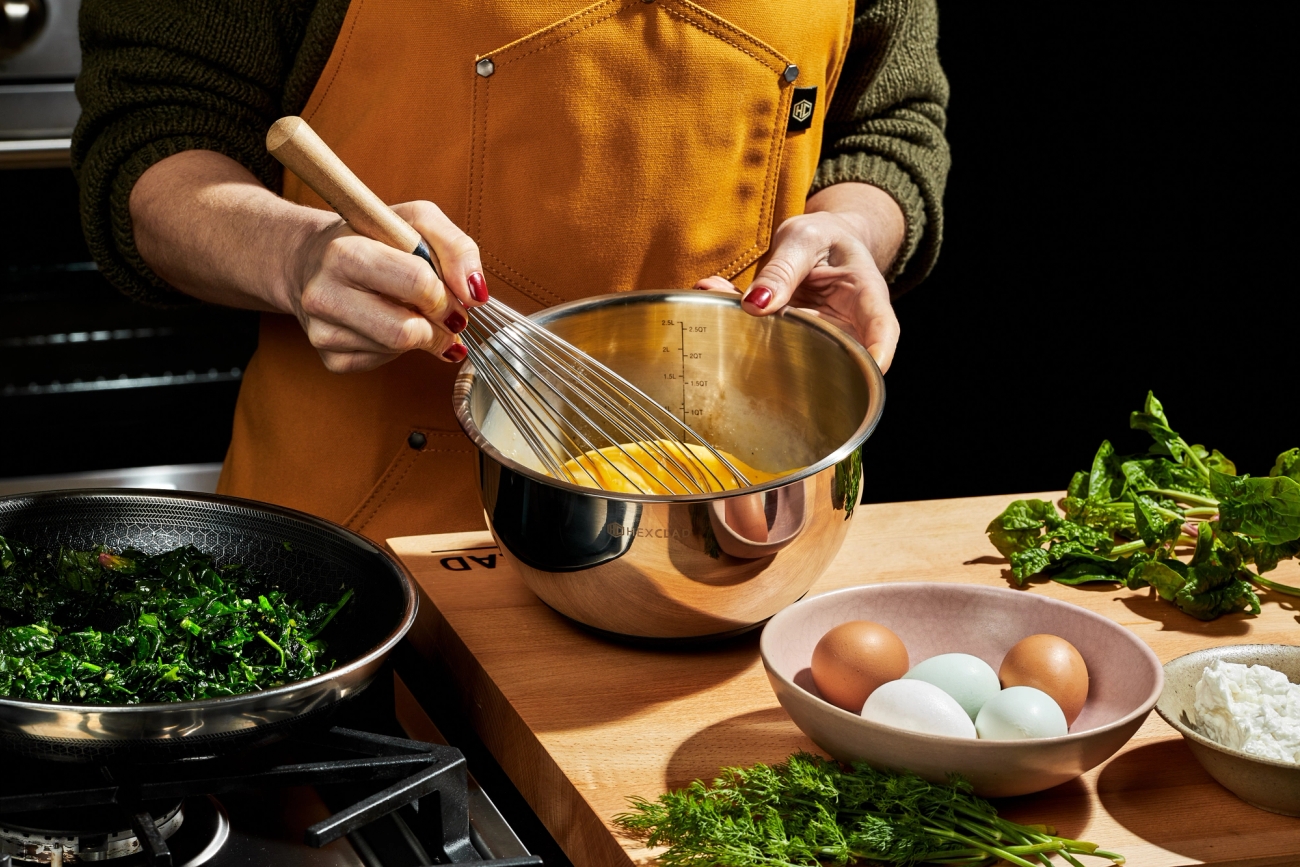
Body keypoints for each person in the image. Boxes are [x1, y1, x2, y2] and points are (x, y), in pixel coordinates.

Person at [73, 0, 950, 542]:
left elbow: (891, 127)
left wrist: (852, 231)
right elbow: (152, 143)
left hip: (728, 537)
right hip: (361, 563)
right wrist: (296, 252)